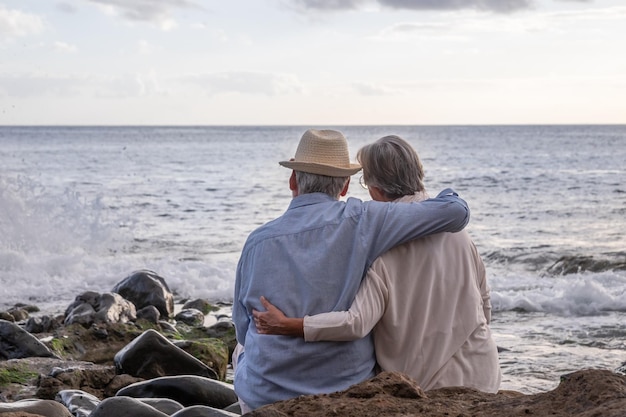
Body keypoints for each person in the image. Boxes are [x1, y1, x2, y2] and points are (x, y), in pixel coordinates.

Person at [233, 129, 471, 412]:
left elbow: (242, 327)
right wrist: (447, 193)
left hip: (266, 393)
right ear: (345, 186)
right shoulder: (364, 220)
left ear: (292, 179)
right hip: (346, 387)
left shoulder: (257, 241)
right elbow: (456, 212)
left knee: (240, 349)